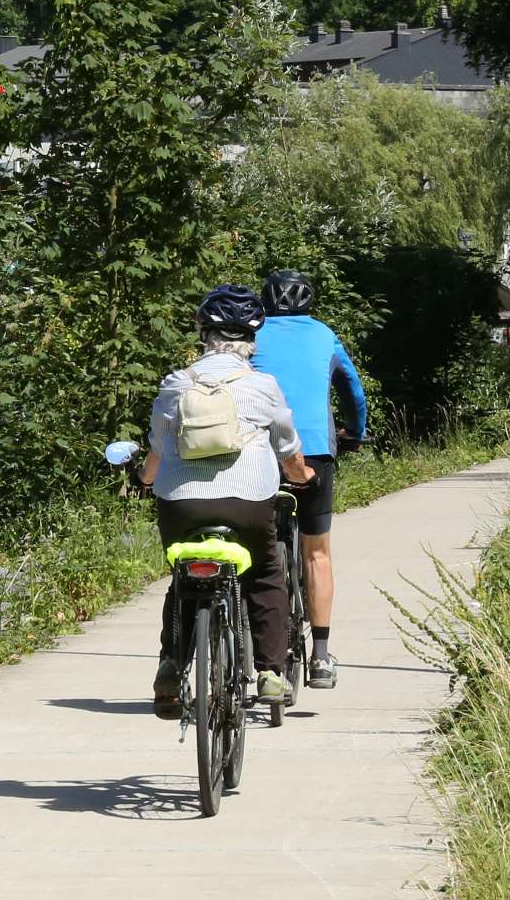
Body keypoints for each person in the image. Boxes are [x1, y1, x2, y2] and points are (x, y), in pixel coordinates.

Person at [142, 283, 315, 717]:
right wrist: (302, 476)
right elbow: (287, 445)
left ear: (203, 335)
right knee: (265, 574)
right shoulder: (263, 385)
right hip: (248, 502)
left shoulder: (176, 382)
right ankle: (271, 674)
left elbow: (158, 448)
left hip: (182, 504)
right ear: (251, 341)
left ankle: (170, 668)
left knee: (183, 578)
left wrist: (146, 479)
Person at [253, 268, 371, 688]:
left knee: (259, 548)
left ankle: (256, 642)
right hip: (315, 450)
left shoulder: (251, 333)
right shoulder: (324, 335)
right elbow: (352, 389)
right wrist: (356, 432)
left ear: (264, 300)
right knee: (316, 553)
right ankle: (320, 657)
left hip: (260, 450)